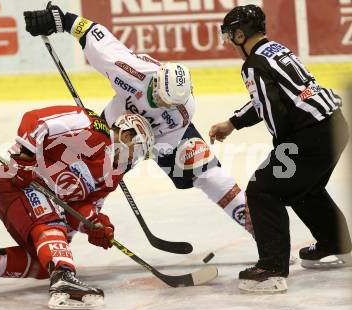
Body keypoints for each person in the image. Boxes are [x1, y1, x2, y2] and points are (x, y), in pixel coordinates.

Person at [22, 2, 253, 239]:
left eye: (171, 103)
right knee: (88, 178)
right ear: (155, 81)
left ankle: (261, 229)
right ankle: (58, 233)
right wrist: (59, 19)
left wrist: (136, 155)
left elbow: (163, 147)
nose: (166, 105)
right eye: (162, 99)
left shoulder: (182, 111)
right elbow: (93, 33)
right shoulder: (130, 70)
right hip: (114, 129)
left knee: (208, 172)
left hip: (160, 137)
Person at [0, 105, 154, 310]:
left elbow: (80, 207)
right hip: (15, 184)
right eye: (136, 152)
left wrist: (95, 224)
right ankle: (64, 282)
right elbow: (35, 120)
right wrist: (25, 159)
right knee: (53, 229)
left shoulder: (113, 176)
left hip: (36, 200)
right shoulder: (89, 124)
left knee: (45, 262)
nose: (132, 160)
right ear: (127, 135)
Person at [209, 5, 352, 293]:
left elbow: (274, 111)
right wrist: (234, 122)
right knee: (304, 188)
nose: (229, 42)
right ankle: (337, 244)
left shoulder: (252, 65)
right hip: (335, 126)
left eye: (230, 36)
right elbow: (280, 96)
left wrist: (281, 152)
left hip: (309, 137)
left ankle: (271, 269)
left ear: (239, 34)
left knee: (264, 189)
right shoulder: (274, 49)